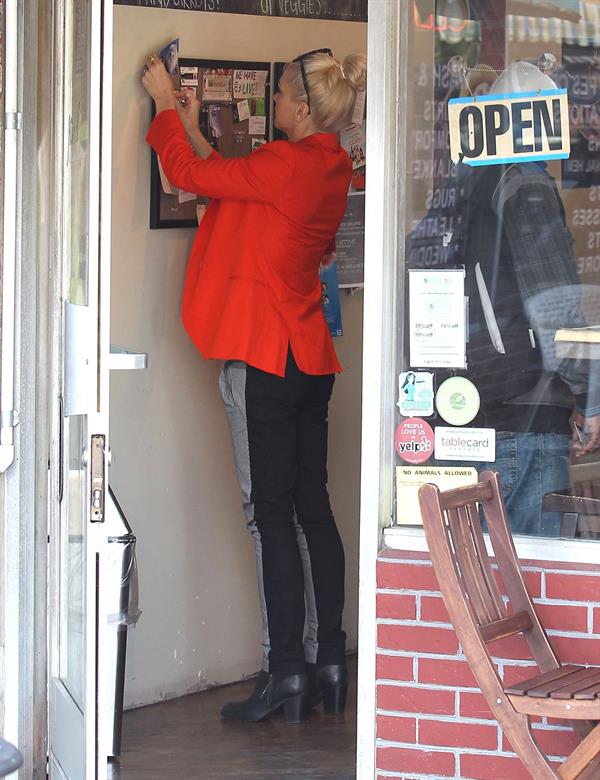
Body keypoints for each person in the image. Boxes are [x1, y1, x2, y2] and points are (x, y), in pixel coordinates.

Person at [141, 48, 367, 723]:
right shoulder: (331, 166)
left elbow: (188, 175)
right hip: (308, 360)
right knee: (313, 510)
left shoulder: (284, 164)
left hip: (264, 358)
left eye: (281, 100)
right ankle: (330, 657)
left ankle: (285, 675)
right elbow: (230, 179)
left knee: (268, 516)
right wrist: (194, 123)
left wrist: (161, 107)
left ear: (299, 108)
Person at [416, 61, 600, 536]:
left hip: (465, 407)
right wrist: (590, 398)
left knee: (484, 570)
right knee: (530, 579)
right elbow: (555, 310)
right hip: (525, 415)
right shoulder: (528, 185)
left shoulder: (462, 186)